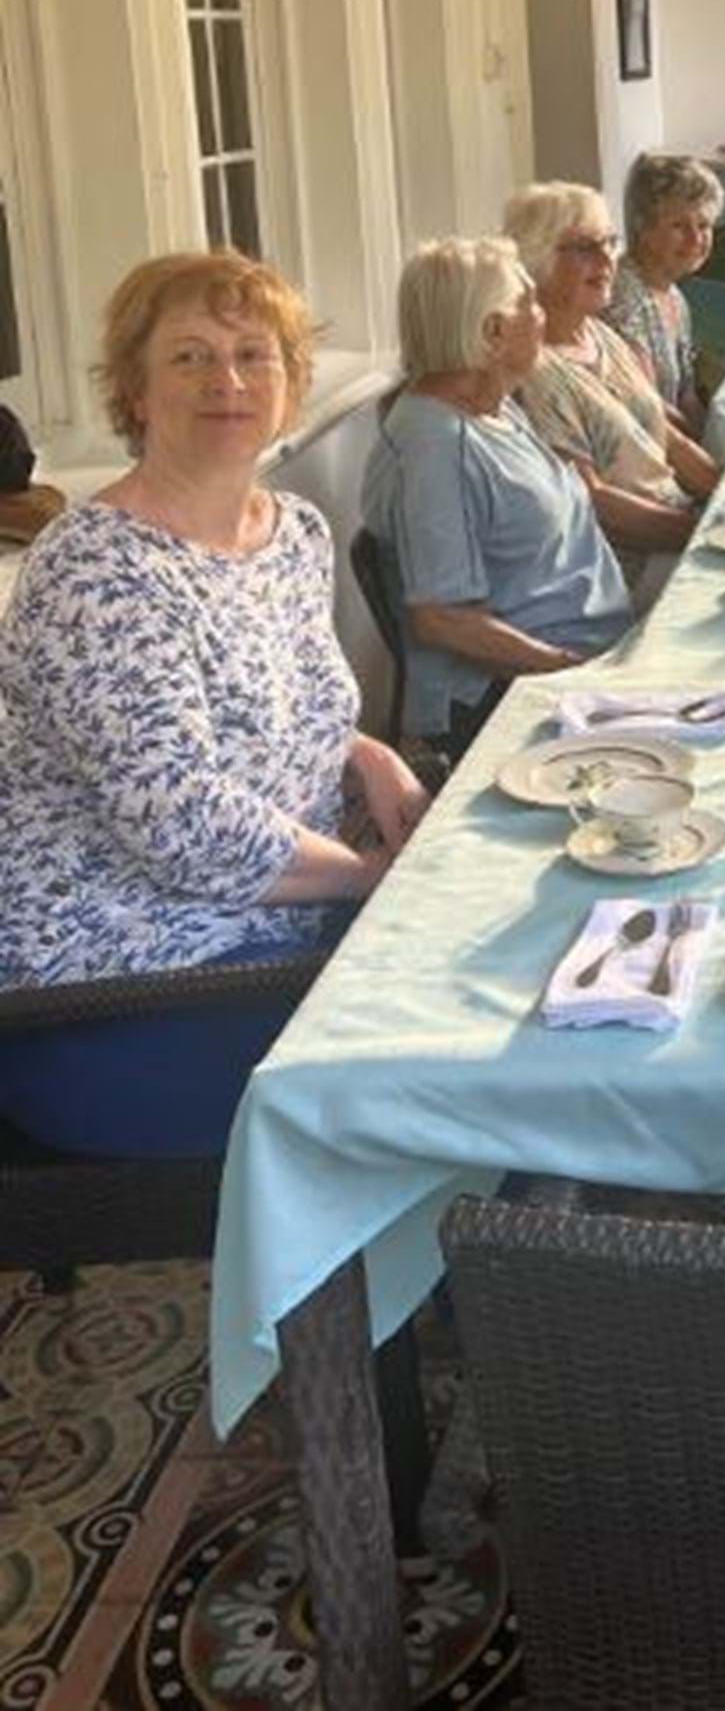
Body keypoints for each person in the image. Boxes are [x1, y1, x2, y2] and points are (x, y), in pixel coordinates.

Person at [0, 252, 421, 1157]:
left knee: (487, 982)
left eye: (252, 354)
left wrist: (365, 753)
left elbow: (266, 705)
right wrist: (370, 875)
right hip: (121, 988)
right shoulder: (96, 570)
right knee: (428, 1083)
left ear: (290, 382)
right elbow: (183, 820)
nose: (226, 380)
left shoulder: (293, 532)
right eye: (189, 356)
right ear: (135, 391)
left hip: (275, 932)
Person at [361, 237, 632, 751]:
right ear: (492, 332)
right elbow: (442, 618)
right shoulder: (435, 446)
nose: (542, 315)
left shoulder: (494, 407)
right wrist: (571, 672)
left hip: (594, 652)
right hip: (519, 698)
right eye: (529, 303)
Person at [504, 184, 717, 601]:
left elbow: (669, 441)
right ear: (536, 259)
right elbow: (593, 503)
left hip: (676, 531)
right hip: (626, 570)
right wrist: (704, 535)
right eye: (585, 248)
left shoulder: (599, 334)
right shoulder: (535, 371)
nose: (606, 261)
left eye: (609, 243)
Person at [606, 154, 724, 434]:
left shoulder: (674, 297)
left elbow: (687, 398)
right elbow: (648, 412)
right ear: (642, 228)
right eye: (679, 226)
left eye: (704, 225)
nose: (696, 239)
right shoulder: (624, 299)